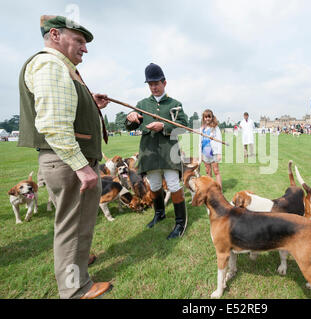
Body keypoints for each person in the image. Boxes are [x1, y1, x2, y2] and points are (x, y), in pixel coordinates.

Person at [18, 15, 111, 299]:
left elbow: (63, 113)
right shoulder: (51, 64)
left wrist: (90, 104)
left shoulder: (59, 67)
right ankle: (76, 287)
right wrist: (83, 168)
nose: (85, 48)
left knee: (73, 222)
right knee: (73, 226)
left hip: (63, 160)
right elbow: (54, 124)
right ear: (55, 35)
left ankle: (77, 264)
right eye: (79, 40)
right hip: (69, 162)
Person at [125, 63, 189, 240]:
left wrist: (164, 126)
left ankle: (180, 222)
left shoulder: (175, 104)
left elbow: (184, 127)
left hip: (169, 153)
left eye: (157, 83)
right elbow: (131, 124)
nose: (153, 87)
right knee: (154, 185)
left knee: (173, 185)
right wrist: (130, 118)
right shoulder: (142, 104)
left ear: (164, 83)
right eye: (150, 84)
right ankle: (159, 213)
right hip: (149, 152)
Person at [198, 109, 222, 189]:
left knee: (216, 171)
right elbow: (199, 142)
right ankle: (211, 189)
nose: (207, 118)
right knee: (208, 171)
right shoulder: (202, 129)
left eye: (209, 117)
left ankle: (219, 189)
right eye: (206, 117)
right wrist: (200, 155)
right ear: (203, 118)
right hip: (205, 152)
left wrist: (219, 153)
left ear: (212, 117)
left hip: (214, 152)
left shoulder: (215, 128)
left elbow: (219, 140)